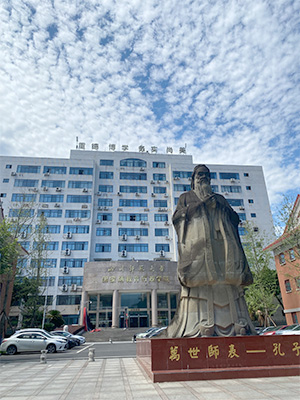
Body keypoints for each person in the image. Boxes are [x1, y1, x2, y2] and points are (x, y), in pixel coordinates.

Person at [165, 165, 256, 337]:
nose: (203, 177)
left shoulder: (219, 198)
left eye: (206, 175)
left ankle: (236, 322)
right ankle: (197, 324)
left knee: (226, 280)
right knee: (199, 280)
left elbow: (235, 219)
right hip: (199, 247)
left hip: (222, 247)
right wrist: (201, 206)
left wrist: (219, 209)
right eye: (200, 174)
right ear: (193, 179)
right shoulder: (186, 197)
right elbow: (177, 218)